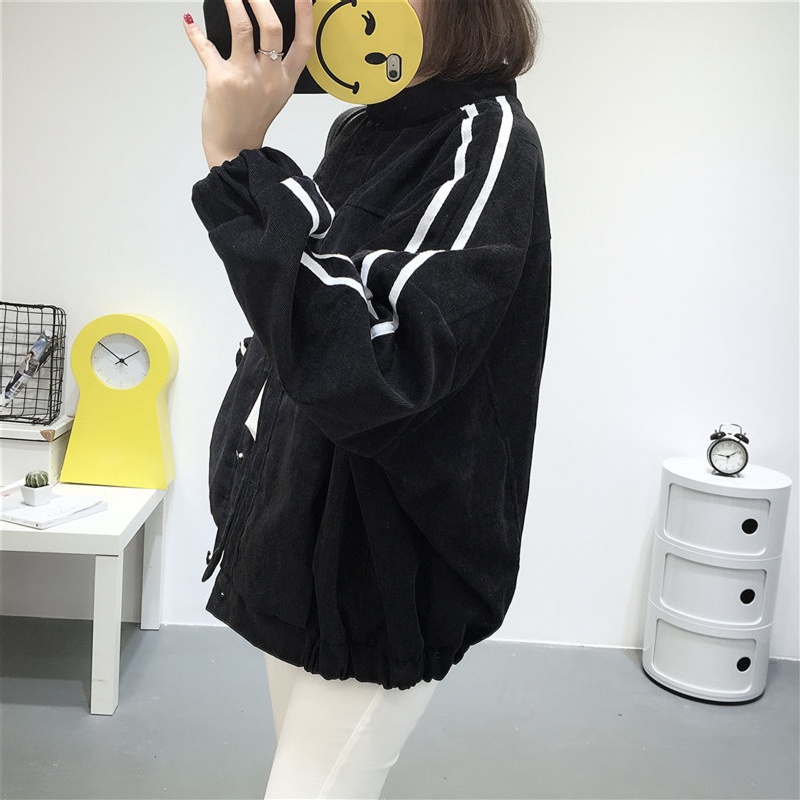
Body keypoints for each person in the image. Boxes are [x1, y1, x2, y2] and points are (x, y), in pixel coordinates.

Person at [184, 0, 550, 796]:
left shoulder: (486, 140)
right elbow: (310, 306)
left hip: (387, 562)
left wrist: (240, 164)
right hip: (302, 526)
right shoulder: (364, 130)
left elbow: (380, 363)